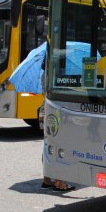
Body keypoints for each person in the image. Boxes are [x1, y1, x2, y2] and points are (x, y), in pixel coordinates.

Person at [39, 51, 74, 192]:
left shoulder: (44, 75)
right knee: (61, 145)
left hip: (45, 110)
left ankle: (47, 179)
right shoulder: (57, 76)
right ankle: (60, 182)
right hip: (57, 113)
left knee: (47, 143)